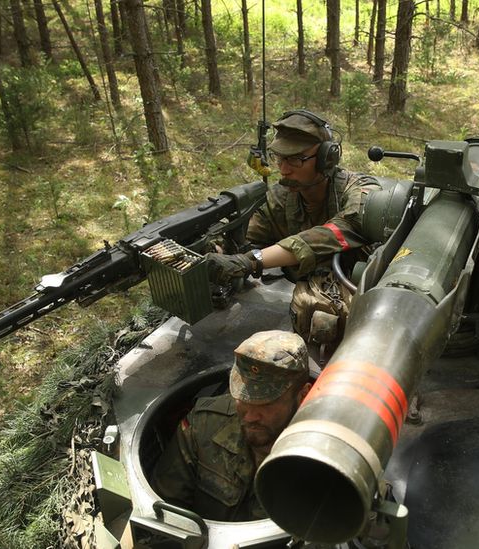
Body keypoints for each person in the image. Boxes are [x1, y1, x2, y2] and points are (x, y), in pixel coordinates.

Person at [206, 110, 381, 345]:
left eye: (295, 159)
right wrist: (218, 253)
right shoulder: (279, 199)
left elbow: (342, 227)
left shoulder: (363, 190)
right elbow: (248, 237)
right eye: (279, 158)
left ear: (326, 158)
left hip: (363, 308)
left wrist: (253, 260)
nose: (284, 169)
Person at [150, 330, 311, 521]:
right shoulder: (204, 424)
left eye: (266, 404)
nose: (250, 416)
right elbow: (165, 506)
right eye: (243, 399)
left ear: (302, 395)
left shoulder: (323, 455)